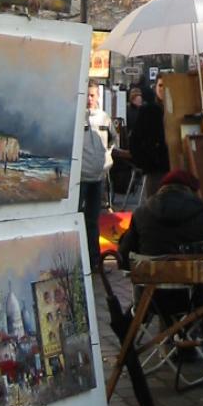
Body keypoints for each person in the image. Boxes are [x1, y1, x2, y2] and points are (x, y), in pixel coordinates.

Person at [79, 83, 116, 272]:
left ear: (97, 96)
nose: (89, 99)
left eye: (92, 95)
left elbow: (112, 139)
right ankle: (79, 259)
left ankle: (94, 261)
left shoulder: (104, 118)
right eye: (87, 95)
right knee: (77, 218)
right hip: (81, 176)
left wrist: (106, 159)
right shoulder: (77, 117)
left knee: (93, 219)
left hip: (98, 176)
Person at [129, 75, 170, 194]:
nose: (162, 89)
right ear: (155, 87)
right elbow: (135, 140)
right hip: (156, 168)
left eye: (166, 85)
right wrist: (147, 162)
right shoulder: (149, 110)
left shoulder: (178, 109)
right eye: (160, 85)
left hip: (174, 164)